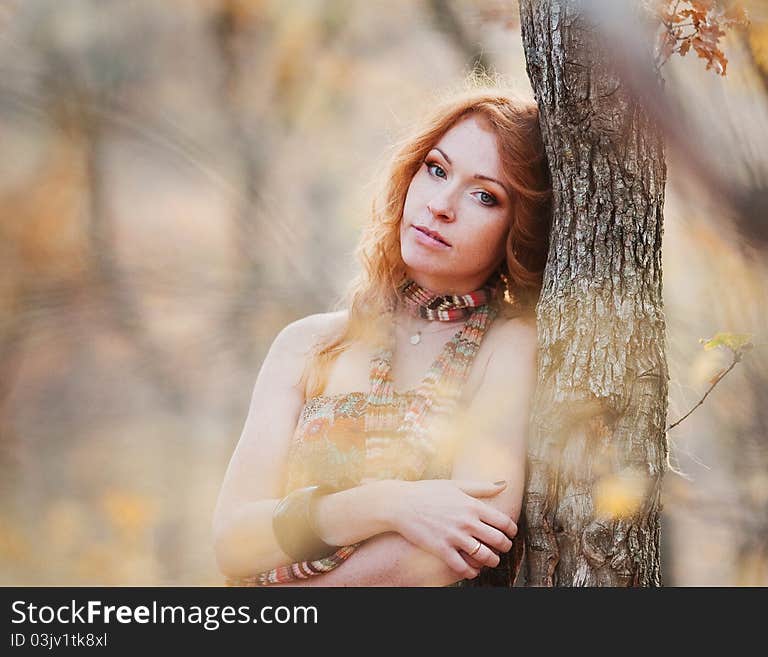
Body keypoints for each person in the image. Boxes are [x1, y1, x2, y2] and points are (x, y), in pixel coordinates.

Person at [212, 84, 552, 587]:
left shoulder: (507, 347)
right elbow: (234, 542)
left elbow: (469, 542)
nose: (440, 205)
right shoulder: (307, 345)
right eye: (436, 169)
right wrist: (388, 504)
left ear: (518, 230)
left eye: (484, 195)